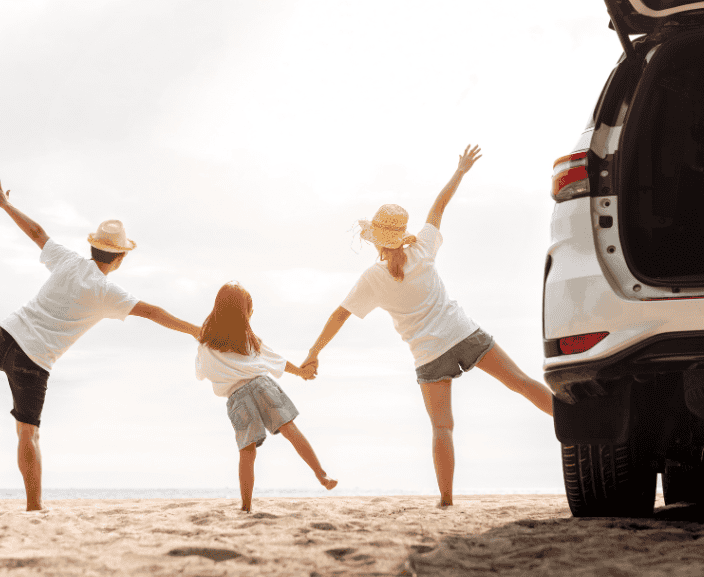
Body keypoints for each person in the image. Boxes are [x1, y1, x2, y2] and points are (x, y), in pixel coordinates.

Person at [300, 146, 553, 507]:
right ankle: (577, 428)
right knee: (523, 384)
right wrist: (461, 171)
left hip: (429, 354)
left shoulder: (373, 277)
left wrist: (313, 353)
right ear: (401, 235)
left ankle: (447, 499)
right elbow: (439, 206)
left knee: (442, 427)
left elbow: (340, 315)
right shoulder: (422, 248)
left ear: (376, 240)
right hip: (463, 333)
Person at [0, 177, 201, 511]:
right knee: (27, 433)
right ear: (119, 259)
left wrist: (5, 205)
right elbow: (153, 312)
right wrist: (194, 330)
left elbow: (36, 233)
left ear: (93, 247)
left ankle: (34, 507)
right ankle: (33, 509)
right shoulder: (108, 294)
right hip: (32, 362)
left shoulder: (68, 260)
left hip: (4, 336)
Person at [195, 281, 337, 512]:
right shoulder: (249, 339)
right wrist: (302, 372)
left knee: (247, 451)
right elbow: (278, 361)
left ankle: (246, 506)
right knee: (290, 430)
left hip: (236, 397)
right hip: (262, 385)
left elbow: (202, 372)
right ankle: (321, 474)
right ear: (245, 312)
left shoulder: (205, 344)